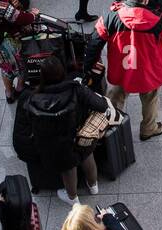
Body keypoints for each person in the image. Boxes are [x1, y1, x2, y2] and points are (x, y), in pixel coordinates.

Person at [87, 0, 162, 132]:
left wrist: (89, 64)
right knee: (150, 98)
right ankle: (149, 128)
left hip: (121, 69)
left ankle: (110, 125)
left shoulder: (111, 17)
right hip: (146, 71)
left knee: (115, 96)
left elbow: (95, 41)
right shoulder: (156, 21)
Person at [13, 54, 115, 205]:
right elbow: (101, 105)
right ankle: (93, 186)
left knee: (68, 167)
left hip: (55, 146)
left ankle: (72, 198)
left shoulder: (31, 99)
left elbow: (24, 128)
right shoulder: (76, 89)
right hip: (80, 135)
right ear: (62, 73)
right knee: (87, 155)